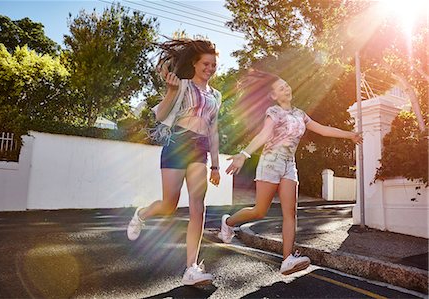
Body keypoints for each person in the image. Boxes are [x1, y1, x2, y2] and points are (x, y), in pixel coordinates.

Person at [219, 70, 363, 275]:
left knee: (291, 213)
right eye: (281, 88)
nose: (286, 88)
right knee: (260, 211)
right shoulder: (273, 112)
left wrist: (350, 135)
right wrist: (244, 153)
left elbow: (323, 129)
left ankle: (287, 259)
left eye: (286, 85)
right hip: (270, 163)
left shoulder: (300, 114)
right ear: (273, 96)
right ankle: (228, 222)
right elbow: (265, 134)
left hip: (289, 165)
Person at [126, 39, 222, 286]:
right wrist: (170, 91)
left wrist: (215, 165)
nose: (210, 68)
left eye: (213, 64)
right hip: (177, 144)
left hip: (199, 149)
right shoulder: (182, 86)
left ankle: (191, 268)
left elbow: (213, 130)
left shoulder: (216, 95)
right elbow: (159, 115)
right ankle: (142, 214)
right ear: (194, 63)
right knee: (169, 204)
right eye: (205, 63)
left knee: (198, 207)